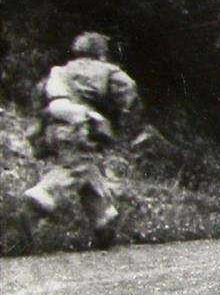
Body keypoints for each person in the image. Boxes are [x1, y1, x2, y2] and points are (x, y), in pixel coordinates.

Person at [21, 32, 142, 249]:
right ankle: (41, 195)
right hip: (81, 125)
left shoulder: (61, 70)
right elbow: (129, 89)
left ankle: (103, 221)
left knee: (86, 171)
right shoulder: (107, 70)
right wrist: (124, 113)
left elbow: (40, 96)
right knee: (77, 166)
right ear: (101, 53)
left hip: (54, 126)